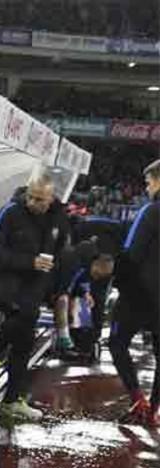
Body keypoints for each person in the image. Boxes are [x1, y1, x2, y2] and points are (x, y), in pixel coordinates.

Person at [0, 175, 65, 423]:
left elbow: (58, 249)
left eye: (40, 199)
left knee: (24, 341)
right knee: (24, 319)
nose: (33, 202)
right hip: (2, 281)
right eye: (31, 196)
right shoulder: (9, 213)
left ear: (50, 199)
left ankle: (12, 401)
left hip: (32, 284)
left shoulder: (55, 217)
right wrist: (30, 262)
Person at [109, 159, 159, 426]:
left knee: (116, 344)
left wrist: (119, 285)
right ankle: (153, 413)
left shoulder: (150, 211)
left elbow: (130, 254)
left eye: (150, 182)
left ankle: (139, 400)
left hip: (138, 297)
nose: (148, 188)